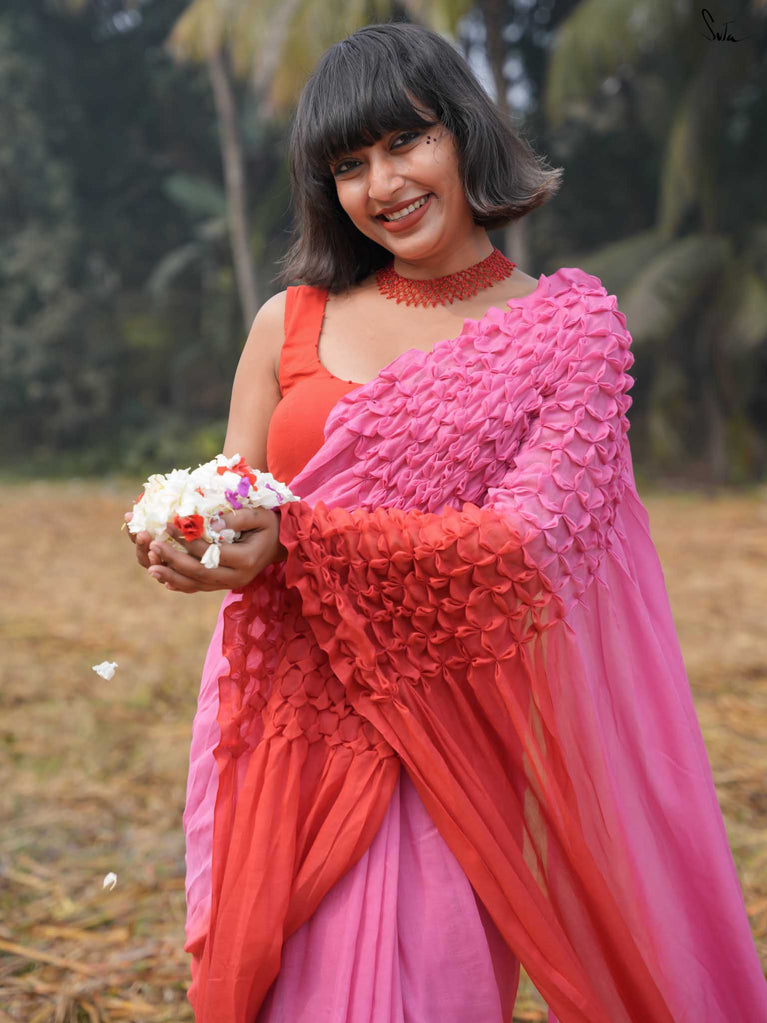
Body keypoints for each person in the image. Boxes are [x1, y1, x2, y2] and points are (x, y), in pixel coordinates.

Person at [127, 21, 767, 1023]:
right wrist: (184, 533)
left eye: (405, 141)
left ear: (464, 133)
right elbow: (239, 499)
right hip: (283, 725)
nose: (381, 184)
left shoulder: (568, 331)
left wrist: (299, 539)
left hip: (447, 739)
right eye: (349, 164)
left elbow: (525, 544)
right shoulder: (288, 320)